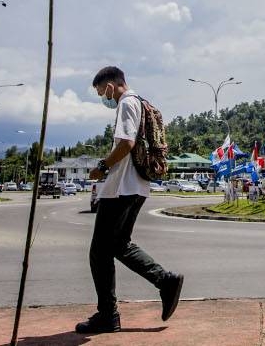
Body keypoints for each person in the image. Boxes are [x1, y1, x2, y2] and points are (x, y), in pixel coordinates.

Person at [76, 66, 183, 334]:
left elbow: (126, 144)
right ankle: (165, 281)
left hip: (122, 187)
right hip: (138, 186)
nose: (104, 98)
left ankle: (107, 315)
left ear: (111, 85)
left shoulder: (127, 103)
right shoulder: (141, 103)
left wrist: (102, 166)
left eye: (102, 92)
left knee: (99, 252)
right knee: (119, 245)